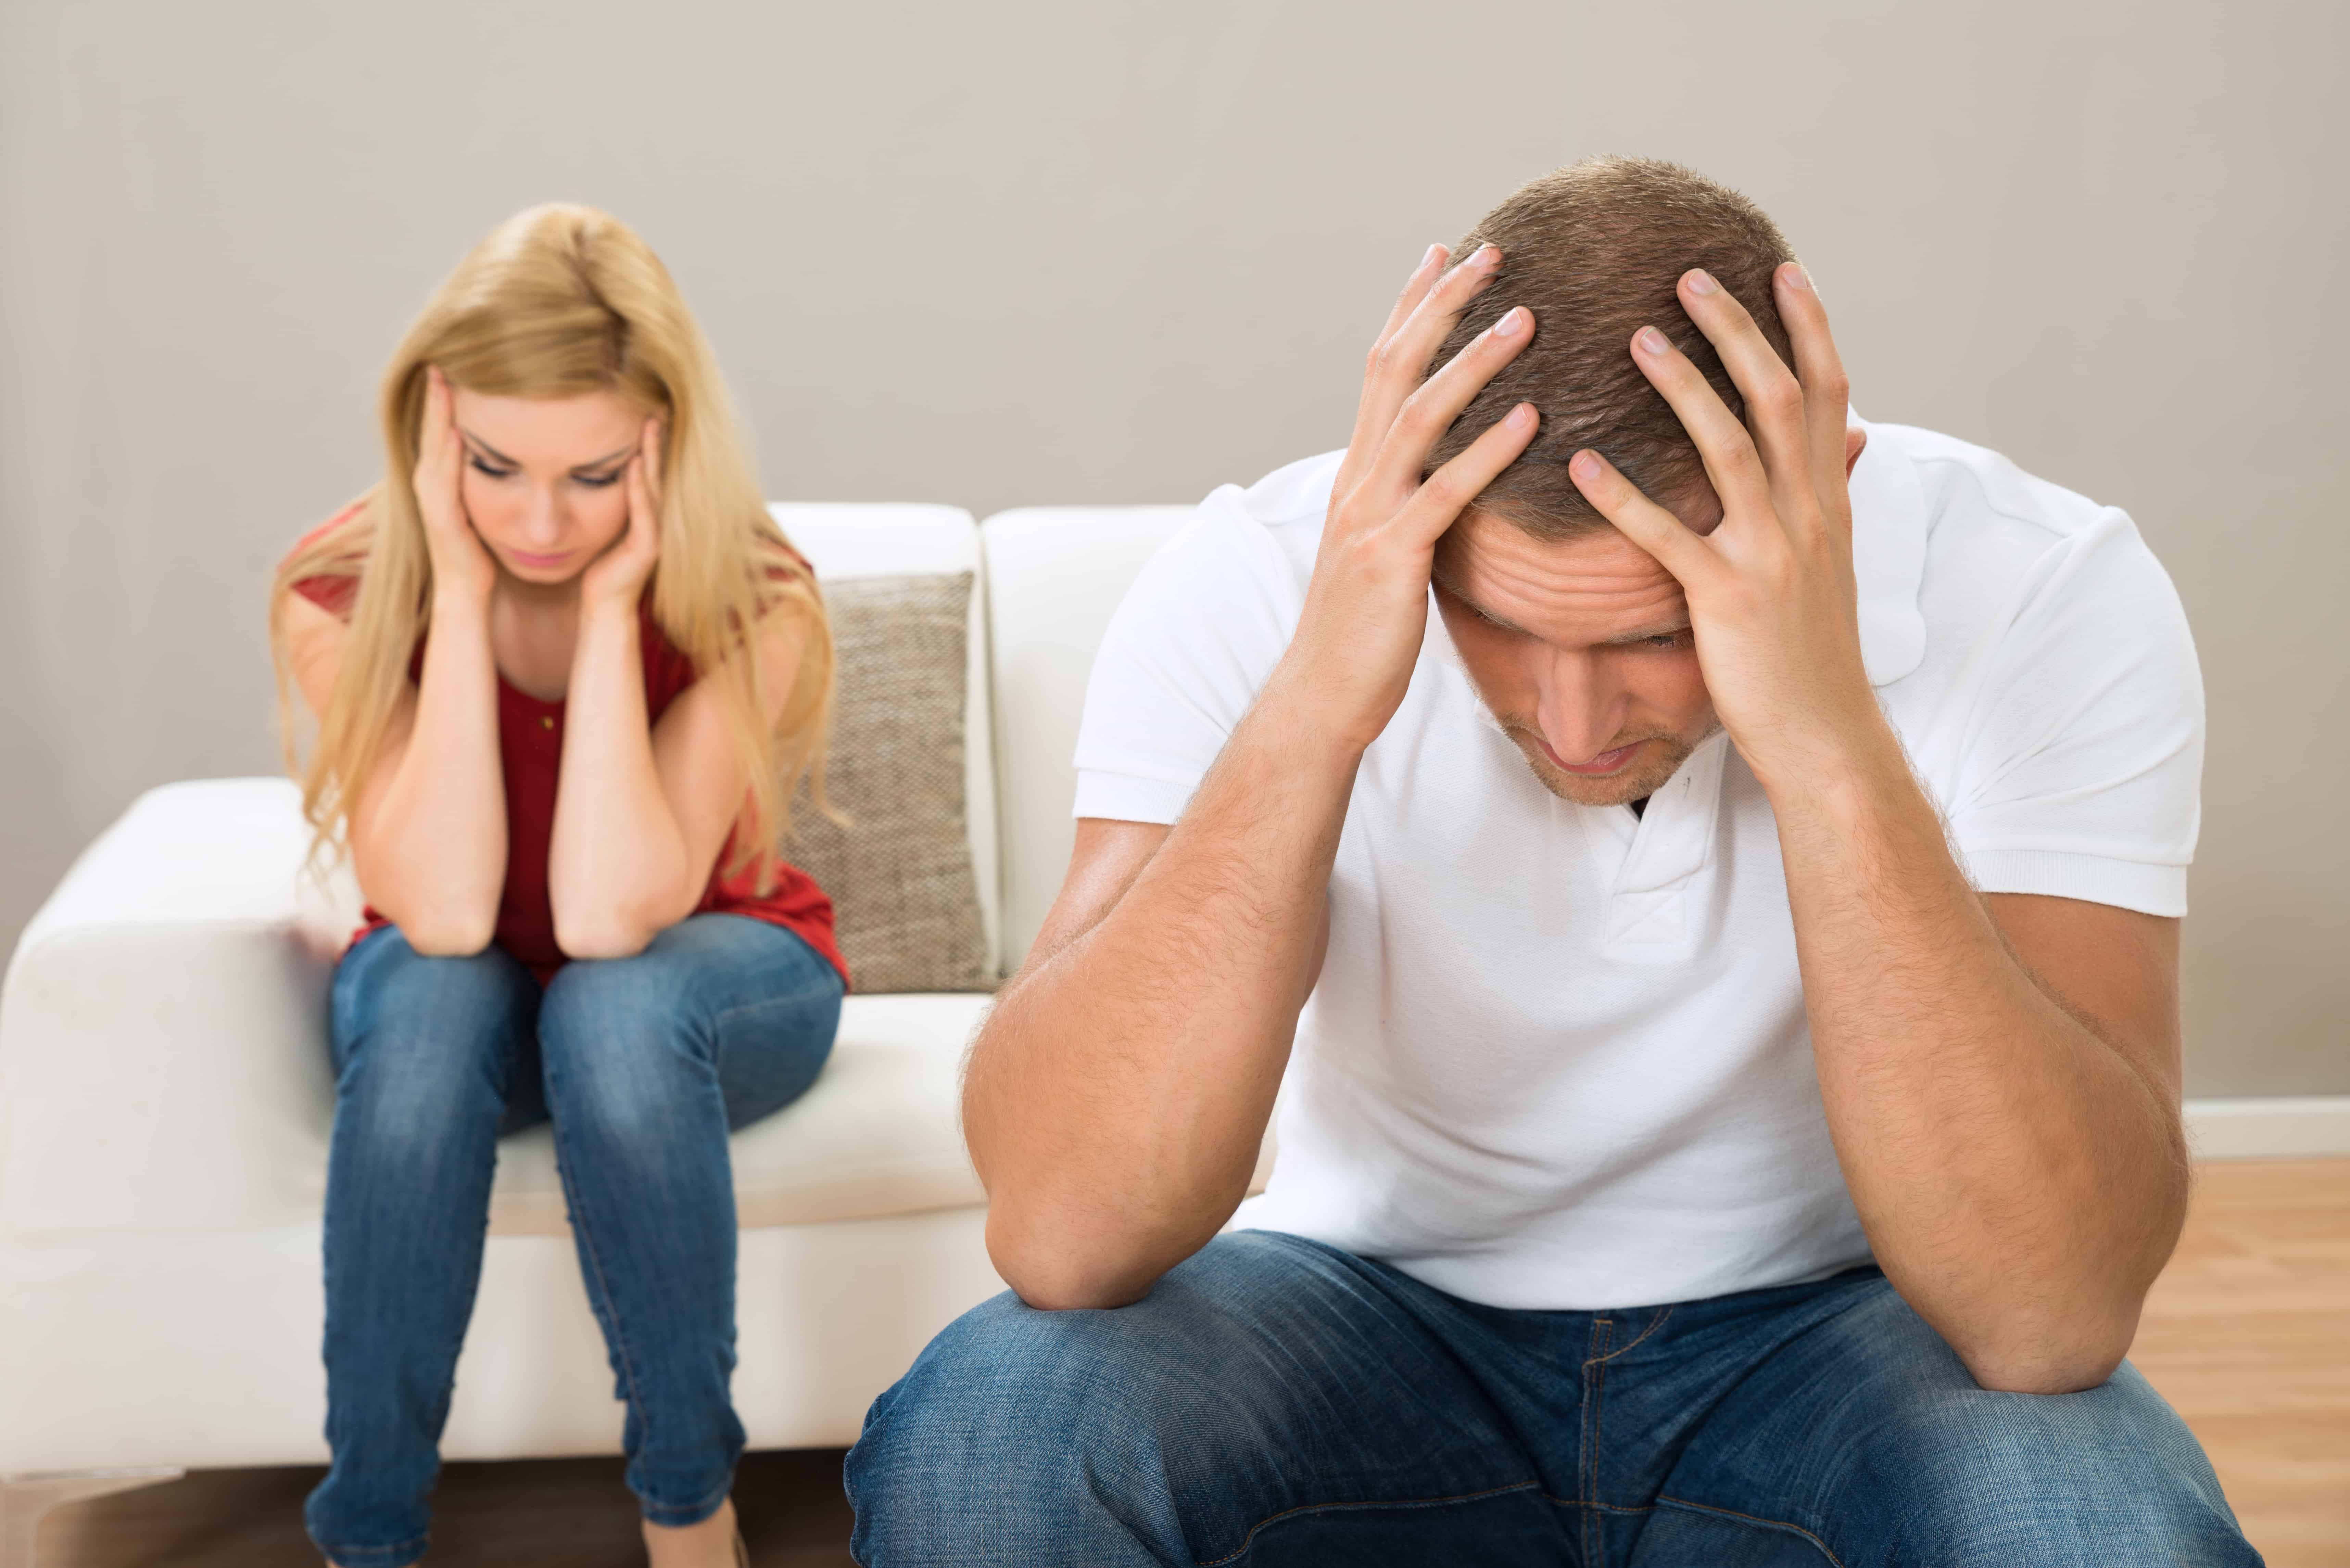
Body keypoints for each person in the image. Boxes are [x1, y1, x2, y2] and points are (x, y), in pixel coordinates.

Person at [843, 158, 2259, 1564]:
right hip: (1365, 1322)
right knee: (992, 1435)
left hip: (1844, 1345)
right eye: (1500, 623)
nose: (1575, 727)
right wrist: (1314, 709)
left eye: (1659, 634)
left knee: (2095, 1528)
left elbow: (2045, 1315)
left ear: (1822, 495)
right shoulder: (1259, 575)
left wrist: (1824, 734)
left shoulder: (2043, 586)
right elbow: (1066, 1234)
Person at [271, 203, 844, 1568]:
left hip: (713, 978)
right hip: (461, 995)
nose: (540, 521)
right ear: (433, 427)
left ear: (665, 443)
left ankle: (691, 1522)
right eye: (495, 466)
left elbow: (604, 919)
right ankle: (367, 1540)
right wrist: (459, 597)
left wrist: (610, 611)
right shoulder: (338, 590)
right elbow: (448, 916)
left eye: (592, 475)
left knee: (613, 1005)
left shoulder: (757, 595)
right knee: (430, 1000)